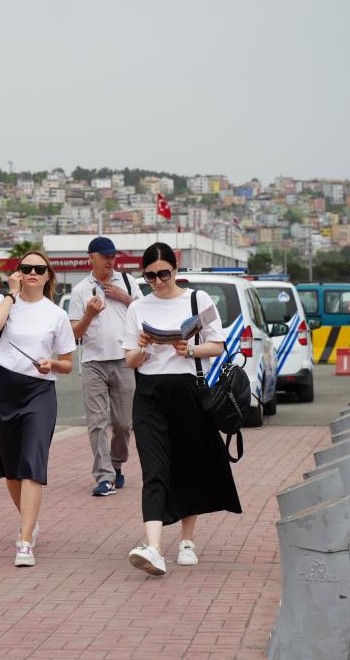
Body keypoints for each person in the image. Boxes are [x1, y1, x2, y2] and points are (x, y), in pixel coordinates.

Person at [122, 243, 242, 576]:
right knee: (154, 468)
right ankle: (154, 547)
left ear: (176, 270)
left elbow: (217, 346)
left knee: (190, 465)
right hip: (149, 394)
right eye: (150, 276)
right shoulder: (137, 307)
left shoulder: (197, 300)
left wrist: (189, 350)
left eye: (164, 273)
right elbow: (128, 358)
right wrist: (143, 349)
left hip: (188, 391)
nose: (158, 281)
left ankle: (187, 541)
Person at [0, 251, 76, 567]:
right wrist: (11, 295)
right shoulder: (5, 303)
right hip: (3, 390)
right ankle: (29, 520)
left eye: (39, 269)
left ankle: (25, 541)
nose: (33, 273)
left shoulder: (56, 315)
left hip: (39, 392)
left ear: (48, 275)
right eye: (27, 268)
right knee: (11, 470)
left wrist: (53, 363)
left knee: (33, 463)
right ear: (19, 273)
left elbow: (68, 364)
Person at [68, 236, 142, 496]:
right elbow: (74, 333)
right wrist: (89, 314)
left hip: (124, 360)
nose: (111, 260)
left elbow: (144, 313)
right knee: (97, 422)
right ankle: (104, 477)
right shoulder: (79, 291)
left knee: (123, 422)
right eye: (105, 256)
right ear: (92, 258)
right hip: (93, 364)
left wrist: (124, 297)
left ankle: (117, 464)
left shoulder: (128, 282)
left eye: (113, 256)